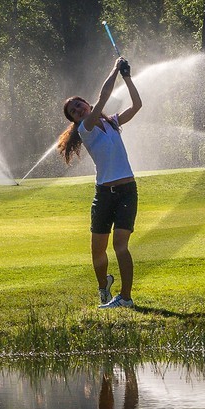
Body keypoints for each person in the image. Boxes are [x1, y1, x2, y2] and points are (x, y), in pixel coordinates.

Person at [58, 56, 142, 307]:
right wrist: (115, 68)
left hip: (127, 191)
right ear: (74, 120)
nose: (78, 110)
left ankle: (125, 298)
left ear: (85, 103)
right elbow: (103, 97)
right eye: (73, 111)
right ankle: (103, 288)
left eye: (78, 105)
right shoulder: (86, 129)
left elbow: (137, 105)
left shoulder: (112, 122)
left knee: (120, 246)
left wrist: (127, 77)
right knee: (98, 251)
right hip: (104, 195)